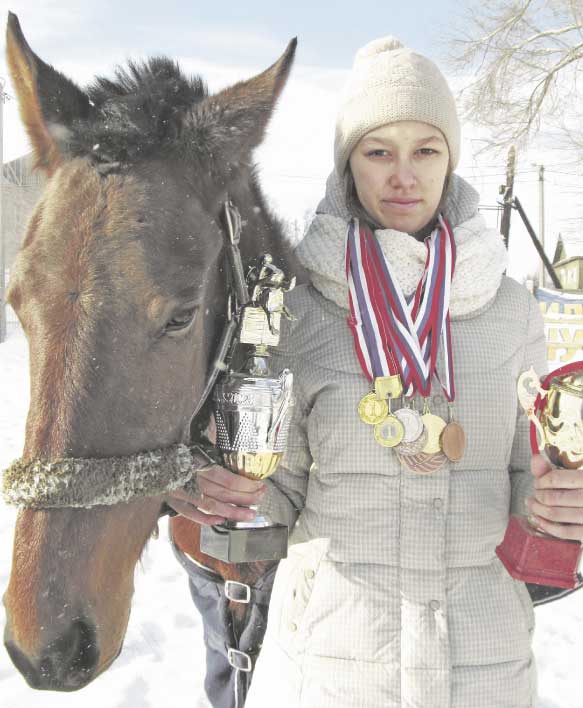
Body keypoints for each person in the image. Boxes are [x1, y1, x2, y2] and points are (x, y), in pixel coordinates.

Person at [167, 36, 583, 708]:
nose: (403, 176)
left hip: (485, 665)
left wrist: (558, 507)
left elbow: (525, 474)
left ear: (449, 159)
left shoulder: (509, 310)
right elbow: (280, 487)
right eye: (377, 151)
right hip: (337, 664)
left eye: (425, 150)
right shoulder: (298, 305)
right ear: (347, 164)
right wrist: (231, 493)